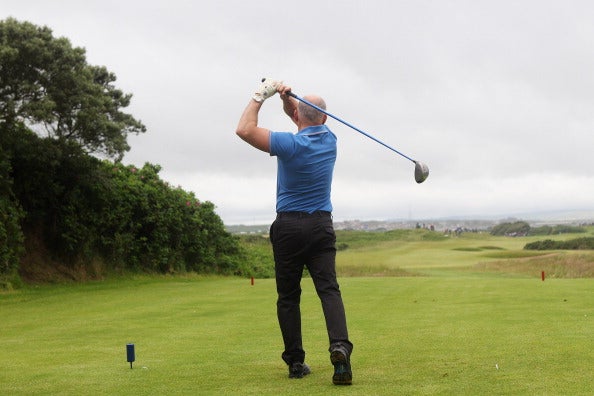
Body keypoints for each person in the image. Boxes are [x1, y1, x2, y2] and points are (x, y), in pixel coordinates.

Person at [235, 79, 353, 385]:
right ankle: (340, 348)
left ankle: (296, 363)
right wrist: (288, 101)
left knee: (288, 296)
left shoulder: (289, 144)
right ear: (325, 118)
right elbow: (303, 119)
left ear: (300, 116)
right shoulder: (330, 139)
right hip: (321, 225)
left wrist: (261, 96)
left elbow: (244, 130)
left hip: (288, 227)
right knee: (328, 289)